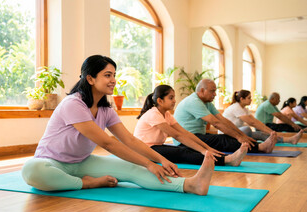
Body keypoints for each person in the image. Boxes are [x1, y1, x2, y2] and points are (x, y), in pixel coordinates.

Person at [21, 55, 215, 196]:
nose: (113, 80)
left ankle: (190, 185)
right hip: (51, 162)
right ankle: (88, 184)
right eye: (107, 75)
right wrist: (149, 162)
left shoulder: (106, 110)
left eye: (114, 74)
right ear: (90, 78)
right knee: (32, 171)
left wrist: (159, 160)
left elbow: (129, 140)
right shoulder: (74, 103)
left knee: (135, 168)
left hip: (82, 162)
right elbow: (109, 144)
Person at [134, 85, 248, 167]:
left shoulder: (166, 114)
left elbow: (185, 133)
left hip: (154, 147)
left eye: (174, 97)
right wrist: (203, 150)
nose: (174, 101)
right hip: (144, 151)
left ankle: (224, 159)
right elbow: (177, 136)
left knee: (185, 149)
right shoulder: (153, 114)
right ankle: (227, 160)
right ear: (160, 100)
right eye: (170, 98)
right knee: (182, 152)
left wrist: (207, 148)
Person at [173, 79, 277, 153]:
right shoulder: (193, 101)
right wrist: (239, 136)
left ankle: (258, 146)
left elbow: (223, 120)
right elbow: (216, 123)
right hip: (185, 141)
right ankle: (261, 147)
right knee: (221, 140)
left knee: (226, 137)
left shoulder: (207, 103)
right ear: (202, 91)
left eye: (215, 91)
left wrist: (242, 135)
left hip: (197, 136)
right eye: (212, 91)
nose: (215, 94)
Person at [222, 90, 303, 144]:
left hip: (238, 132)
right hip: (228, 134)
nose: (251, 100)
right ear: (241, 99)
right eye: (249, 98)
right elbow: (252, 123)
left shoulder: (244, 109)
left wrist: (270, 132)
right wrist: (270, 132)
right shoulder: (236, 107)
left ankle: (289, 140)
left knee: (260, 134)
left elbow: (255, 121)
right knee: (247, 130)